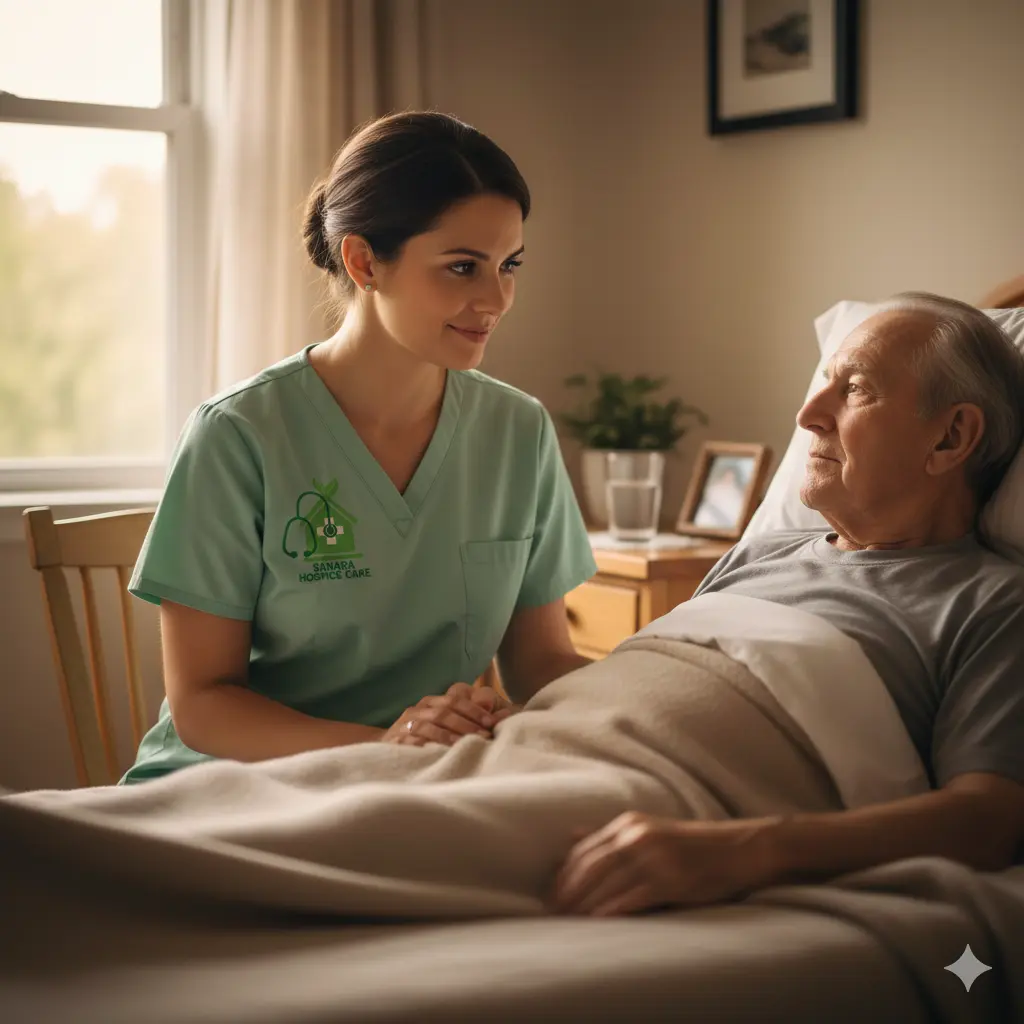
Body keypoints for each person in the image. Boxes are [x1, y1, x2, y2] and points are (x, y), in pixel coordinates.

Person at [121, 111, 596, 784]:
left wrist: (657, 696)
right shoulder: (238, 434)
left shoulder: (519, 431)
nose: (496, 298)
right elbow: (203, 703)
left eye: (508, 265)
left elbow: (540, 663)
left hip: (420, 783)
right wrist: (383, 746)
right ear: (364, 261)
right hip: (233, 785)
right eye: (462, 267)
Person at [551, 292, 1024, 915]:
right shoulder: (758, 554)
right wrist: (501, 717)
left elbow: (986, 821)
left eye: (855, 389)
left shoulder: (993, 605)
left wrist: (746, 851)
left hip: (635, 807)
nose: (807, 414)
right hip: (551, 751)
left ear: (951, 437)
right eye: (824, 383)